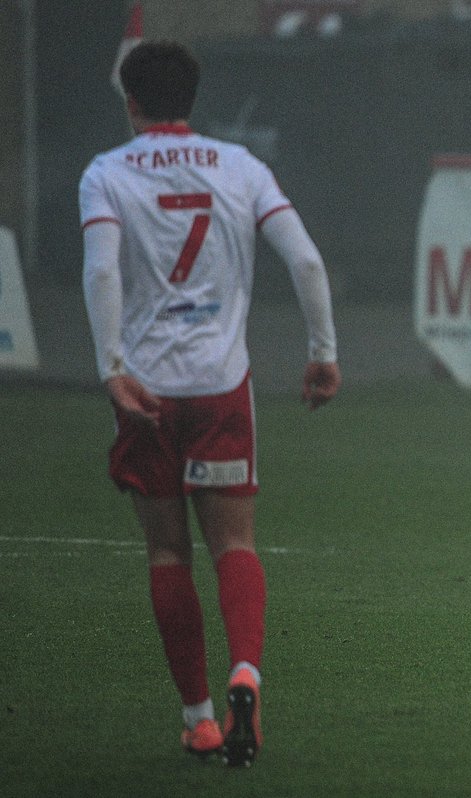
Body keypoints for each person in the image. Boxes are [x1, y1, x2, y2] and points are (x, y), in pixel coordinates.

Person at [79, 40, 341, 765]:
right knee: (236, 544)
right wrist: (323, 353)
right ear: (192, 100)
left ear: (130, 101)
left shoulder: (106, 174)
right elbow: (307, 259)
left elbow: (101, 271)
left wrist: (111, 368)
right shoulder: (240, 166)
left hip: (146, 390)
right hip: (222, 386)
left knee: (168, 550)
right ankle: (247, 672)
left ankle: (198, 718)